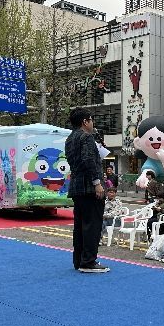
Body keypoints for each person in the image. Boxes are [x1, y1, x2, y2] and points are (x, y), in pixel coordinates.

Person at [65, 108, 108, 273]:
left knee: (80, 226)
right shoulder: (86, 137)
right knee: (92, 225)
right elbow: (89, 160)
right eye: (91, 120)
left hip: (77, 187)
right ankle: (89, 261)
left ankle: (79, 260)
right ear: (85, 121)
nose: (92, 123)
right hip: (90, 187)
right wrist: (97, 182)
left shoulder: (70, 138)